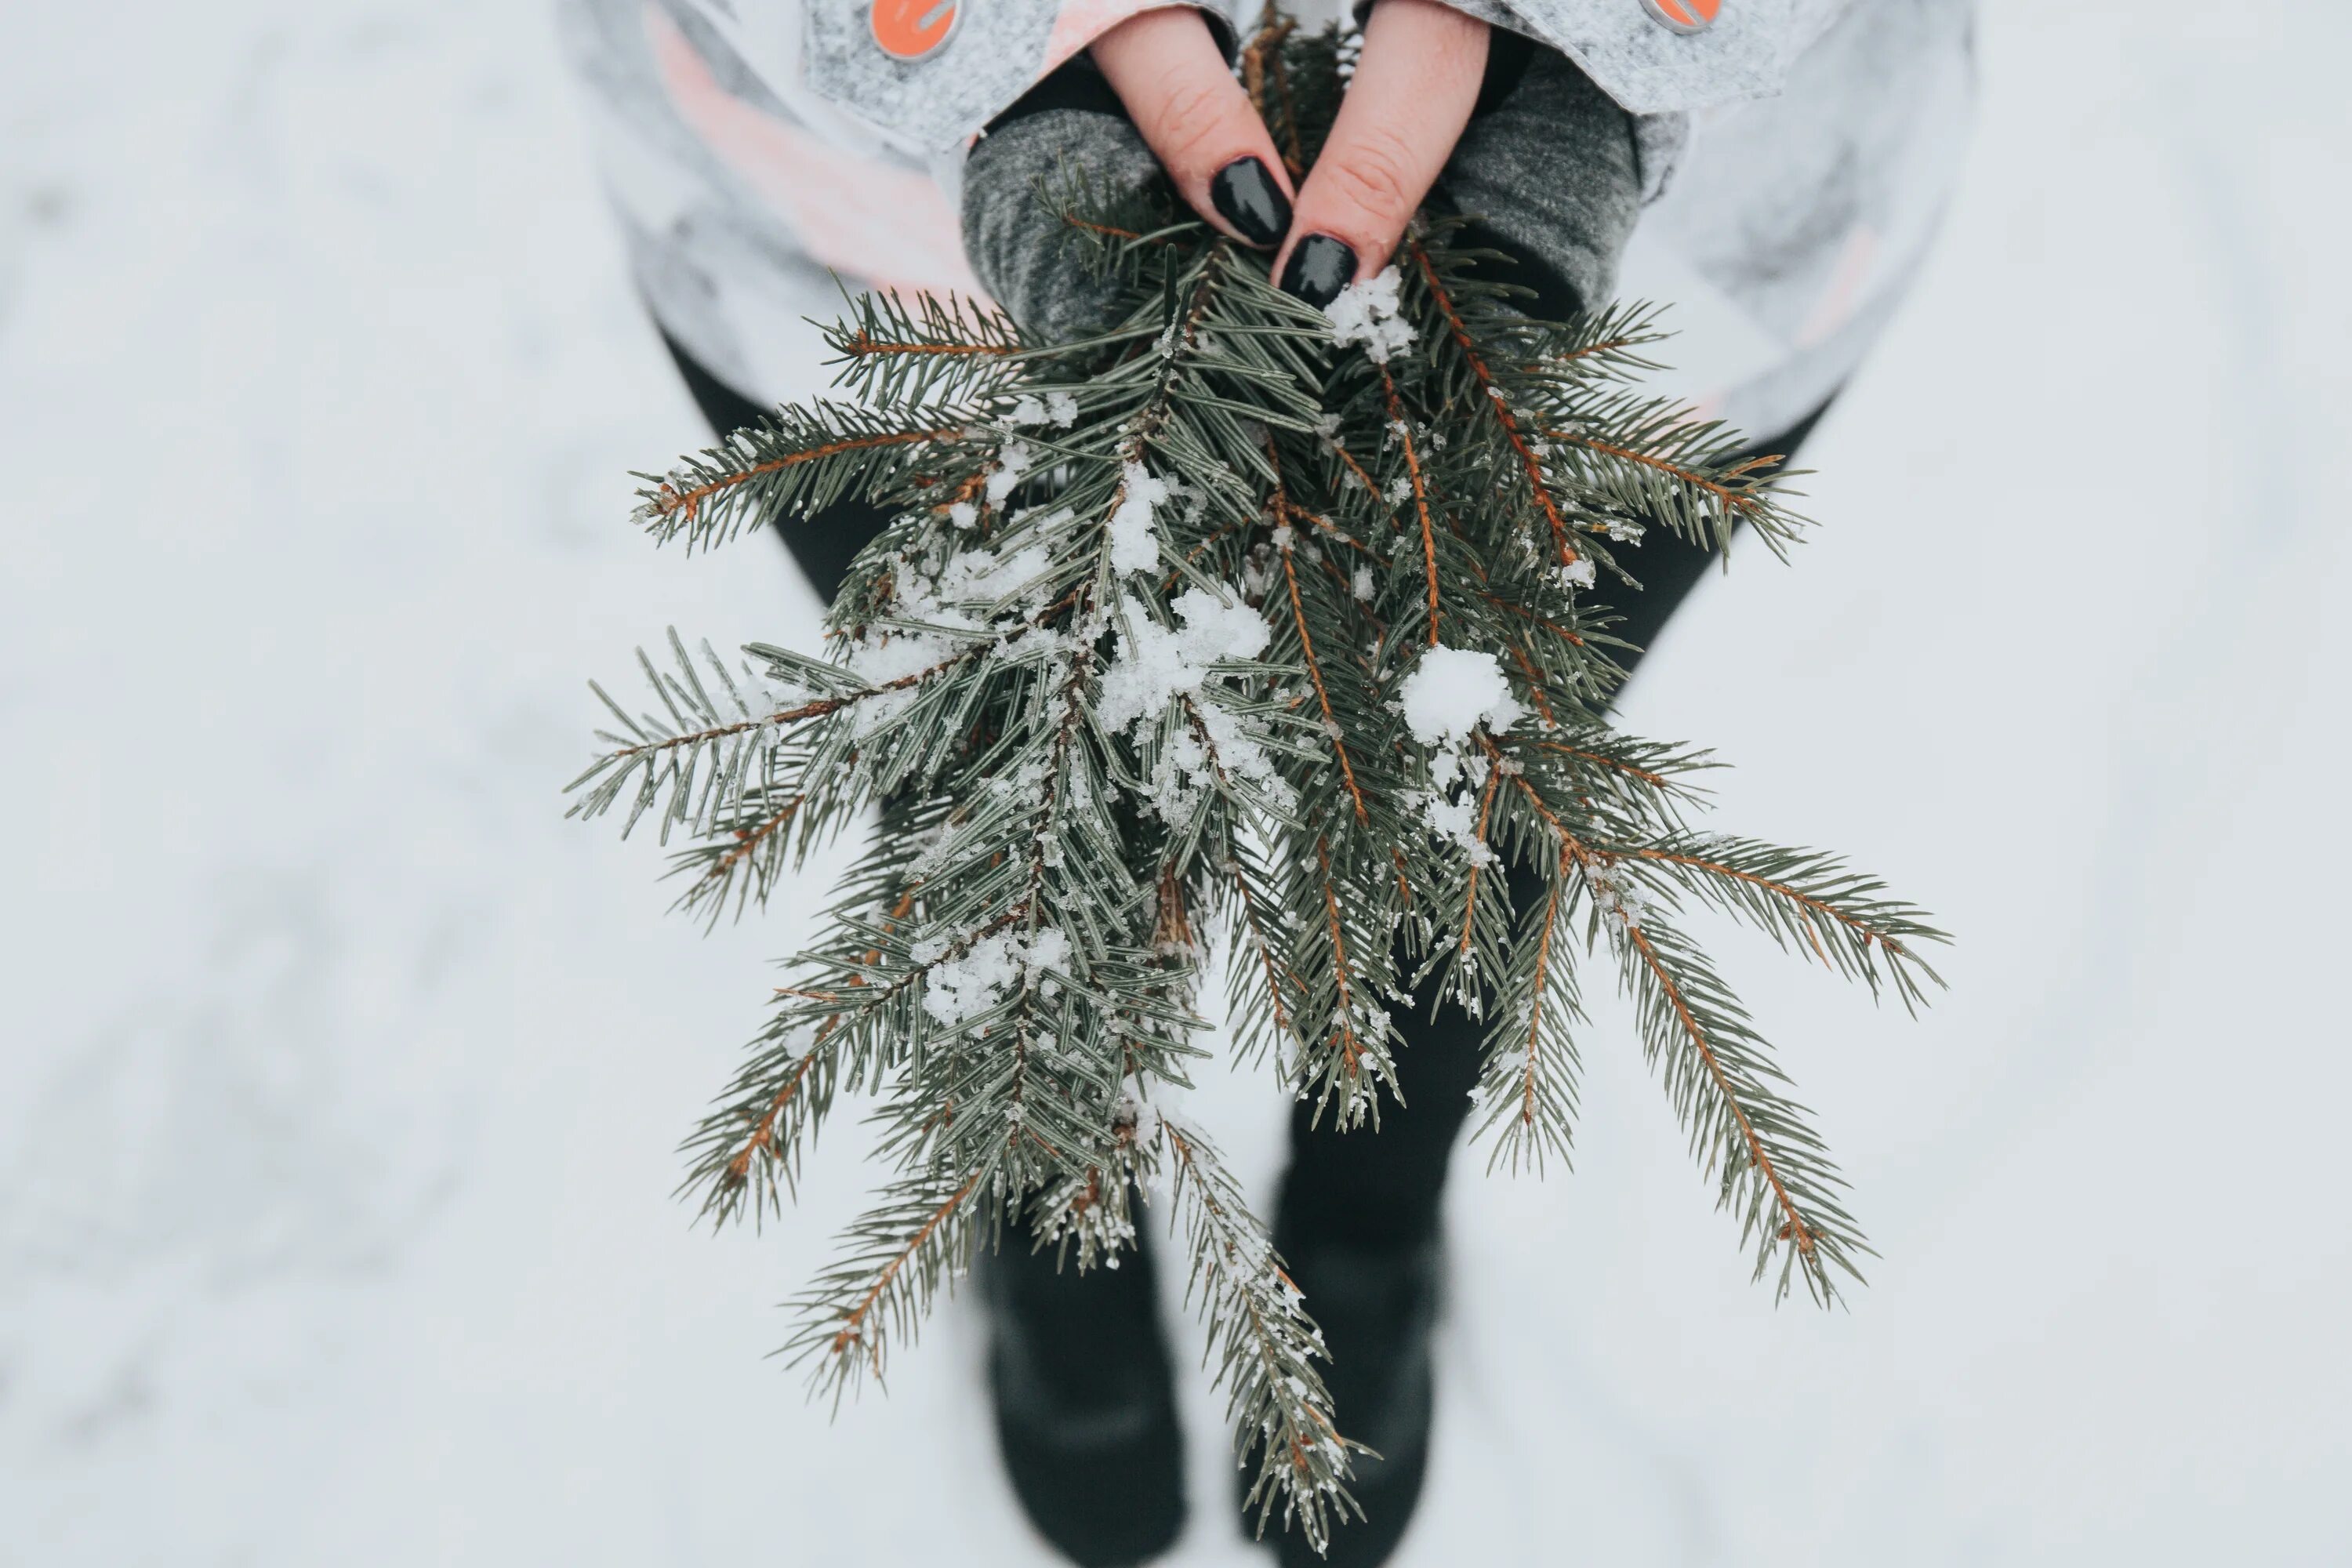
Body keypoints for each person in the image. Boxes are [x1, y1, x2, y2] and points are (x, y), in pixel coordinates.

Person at [561, 1, 1975, 1563]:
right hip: (855, 234)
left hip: (1701, 245)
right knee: (998, 759)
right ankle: (1060, 1197)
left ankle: (1369, 1217)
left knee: (1469, 750)